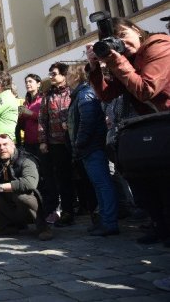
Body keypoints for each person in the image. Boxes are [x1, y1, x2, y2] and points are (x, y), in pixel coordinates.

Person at [87, 17, 170, 244]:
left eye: (123, 35)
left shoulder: (159, 46)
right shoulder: (129, 59)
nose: (122, 42)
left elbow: (146, 90)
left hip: (165, 120)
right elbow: (107, 94)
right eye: (115, 40)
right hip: (153, 125)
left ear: (136, 29)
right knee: (148, 179)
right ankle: (159, 225)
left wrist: (116, 60)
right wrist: (95, 68)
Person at [66, 63, 118, 236]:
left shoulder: (85, 94)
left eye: (68, 74)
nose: (66, 77)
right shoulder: (80, 94)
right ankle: (104, 220)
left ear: (75, 76)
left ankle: (109, 222)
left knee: (103, 184)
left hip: (92, 146)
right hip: (89, 146)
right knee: (98, 185)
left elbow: (87, 122)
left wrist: (80, 142)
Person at [0, 134, 52, 240]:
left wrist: (0, 187)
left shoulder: (26, 160)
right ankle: (7, 227)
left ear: (13, 144)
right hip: (10, 204)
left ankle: (43, 228)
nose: (2, 148)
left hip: (35, 203)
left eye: (5, 144)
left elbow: (29, 183)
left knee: (22, 196)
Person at [38, 62, 74, 227]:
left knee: (82, 178)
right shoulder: (48, 95)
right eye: (50, 73)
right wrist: (43, 141)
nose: (51, 76)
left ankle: (92, 210)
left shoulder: (73, 92)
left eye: (54, 73)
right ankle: (67, 212)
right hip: (56, 143)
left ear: (63, 75)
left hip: (75, 141)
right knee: (63, 179)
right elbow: (42, 120)